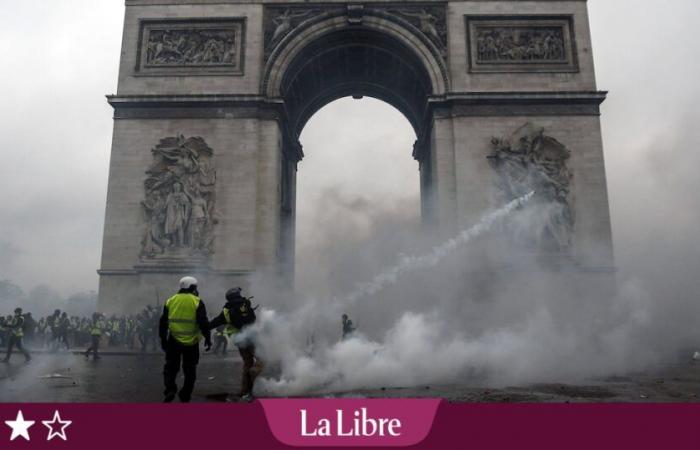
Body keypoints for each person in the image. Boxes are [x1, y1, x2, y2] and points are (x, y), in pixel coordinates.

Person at [159, 276, 211, 403]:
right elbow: (203, 322)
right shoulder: (197, 301)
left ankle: (170, 389)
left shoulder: (170, 300)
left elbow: (163, 323)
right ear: (192, 287)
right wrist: (208, 338)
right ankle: (185, 394)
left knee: (170, 368)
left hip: (173, 340)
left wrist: (163, 340)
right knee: (190, 370)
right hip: (192, 342)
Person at [209, 287, 261, 401]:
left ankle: (245, 391)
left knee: (247, 363)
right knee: (262, 360)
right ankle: (253, 372)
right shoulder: (246, 305)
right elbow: (253, 319)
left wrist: (203, 327)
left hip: (240, 341)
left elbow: (215, 322)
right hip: (252, 338)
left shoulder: (226, 310)